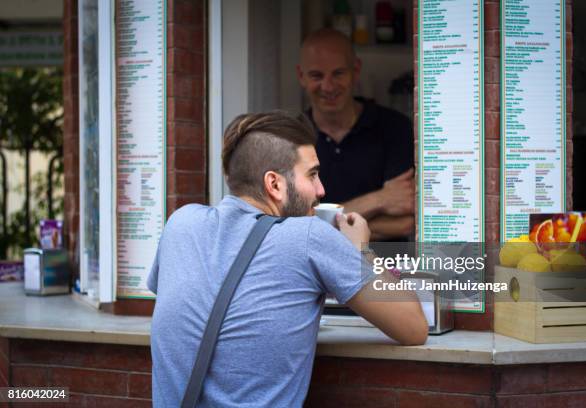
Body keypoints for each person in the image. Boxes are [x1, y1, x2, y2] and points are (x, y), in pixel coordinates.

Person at [148, 111, 427, 407]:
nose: (321, 190)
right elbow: (413, 327)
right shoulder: (308, 236)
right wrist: (361, 252)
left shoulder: (181, 223)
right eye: (312, 174)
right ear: (275, 184)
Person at [297, 28, 415, 241]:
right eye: (317, 75)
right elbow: (297, 225)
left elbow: (405, 222)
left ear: (356, 70)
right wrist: (380, 199)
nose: (328, 85)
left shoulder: (395, 128)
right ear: (301, 76)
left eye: (338, 73)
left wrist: (320, 224)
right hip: (314, 271)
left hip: (383, 267)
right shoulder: (291, 136)